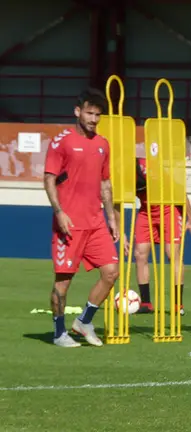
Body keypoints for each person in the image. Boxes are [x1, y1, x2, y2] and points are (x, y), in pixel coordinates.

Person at [43, 88, 120, 348]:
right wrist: (59, 212)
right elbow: (49, 179)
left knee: (111, 273)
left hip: (96, 222)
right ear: (77, 111)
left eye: (98, 115)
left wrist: (111, 218)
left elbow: (105, 183)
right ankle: (58, 333)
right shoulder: (61, 141)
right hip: (70, 224)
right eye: (89, 113)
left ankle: (84, 321)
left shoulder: (102, 144)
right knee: (63, 282)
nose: (93, 119)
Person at [132, 157, 191, 315]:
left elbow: (178, 190)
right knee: (139, 254)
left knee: (172, 254)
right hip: (146, 211)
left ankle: (177, 305)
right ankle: (146, 303)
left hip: (168, 208)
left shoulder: (146, 167)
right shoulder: (118, 173)